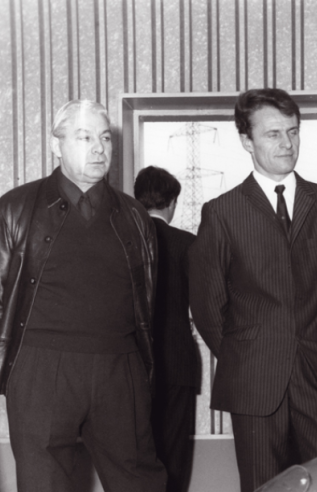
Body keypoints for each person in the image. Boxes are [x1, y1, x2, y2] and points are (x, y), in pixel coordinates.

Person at [188, 88, 317, 492]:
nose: (287, 143)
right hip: (254, 384)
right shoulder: (222, 213)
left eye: (293, 131)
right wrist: (251, 353)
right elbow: (208, 309)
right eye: (273, 134)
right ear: (246, 141)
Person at [0, 100, 166, 491]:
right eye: (84, 137)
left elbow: (147, 302)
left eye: (105, 138)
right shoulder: (15, 209)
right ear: (56, 145)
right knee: (46, 484)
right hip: (41, 370)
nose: (98, 148)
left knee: (140, 481)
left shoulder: (136, 217)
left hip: (120, 369)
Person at [135, 166, 201, 492]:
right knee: (174, 456)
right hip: (178, 361)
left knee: (135, 455)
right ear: (172, 202)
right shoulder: (188, 244)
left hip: (132, 364)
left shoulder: (124, 241)